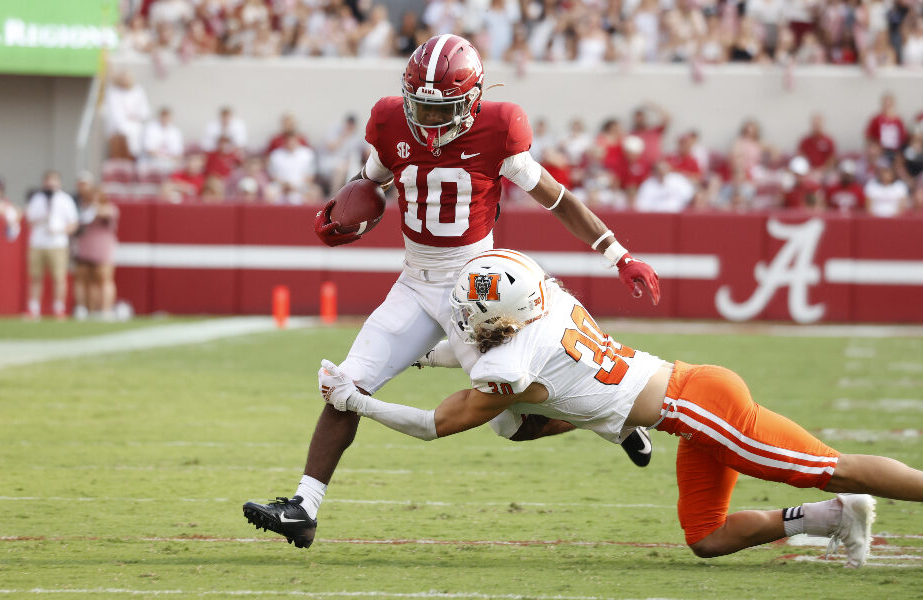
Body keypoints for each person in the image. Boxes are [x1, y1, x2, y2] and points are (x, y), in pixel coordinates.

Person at [243, 34, 661, 549]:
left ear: (473, 99)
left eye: (440, 110)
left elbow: (558, 200)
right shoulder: (391, 120)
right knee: (345, 383)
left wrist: (618, 254)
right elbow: (370, 180)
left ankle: (606, 422)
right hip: (415, 282)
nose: (427, 120)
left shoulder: (498, 128)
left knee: (511, 425)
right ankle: (303, 507)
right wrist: (350, 204)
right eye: (419, 105)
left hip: (477, 291)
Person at [317, 249, 923, 568]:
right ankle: (835, 518)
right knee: (706, 538)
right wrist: (422, 359)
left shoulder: (509, 364)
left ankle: (872, 491)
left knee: (826, 464)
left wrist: (356, 400)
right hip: (682, 405)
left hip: (702, 406)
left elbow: (432, 426)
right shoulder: (544, 304)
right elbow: (479, 356)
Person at [25, 170, 79, 320]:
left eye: (53, 181)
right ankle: (33, 308)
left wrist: (60, 230)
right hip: (38, 243)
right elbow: (28, 221)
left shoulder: (65, 200)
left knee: (59, 278)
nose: (50, 184)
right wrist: (43, 216)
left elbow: (74, 224)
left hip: (57, 243)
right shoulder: (37, 199)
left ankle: (58, 308)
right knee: (36, 277)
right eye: (48, 181)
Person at [72, 189, 119, 320]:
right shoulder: (82, 209)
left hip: (102, 250)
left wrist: (94, 207)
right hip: (85, 250)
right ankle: (87, 309)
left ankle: (105, 310)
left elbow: (107, 214)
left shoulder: (109, 209)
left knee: (104, 280)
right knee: (86, 281)